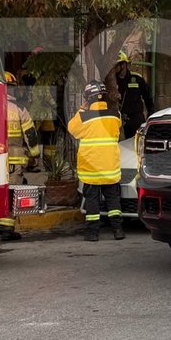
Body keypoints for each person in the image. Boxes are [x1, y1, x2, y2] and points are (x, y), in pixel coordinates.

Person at [68, 81, 125, 242]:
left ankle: (92, 233)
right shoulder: (115, 114)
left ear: (88, 98)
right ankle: (118, 230)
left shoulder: (83, 116)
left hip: (91, 167)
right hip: (110, 166)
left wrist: (82, 108)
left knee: (92, 200)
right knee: (113, 199)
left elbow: (72, 129)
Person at [0, 71, 39, 242]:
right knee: (12, 191)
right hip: (14, 159)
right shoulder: (19, 109)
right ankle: (7, 227)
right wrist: (35, 155)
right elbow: (30, 135)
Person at [110, 51, 152, 138]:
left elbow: (148, 98)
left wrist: (150, 115)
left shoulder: (137, 79)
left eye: (116, 65)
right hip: (119, 119)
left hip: (136, 119)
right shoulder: (112, 82)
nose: (114, 68)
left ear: (123, 65)